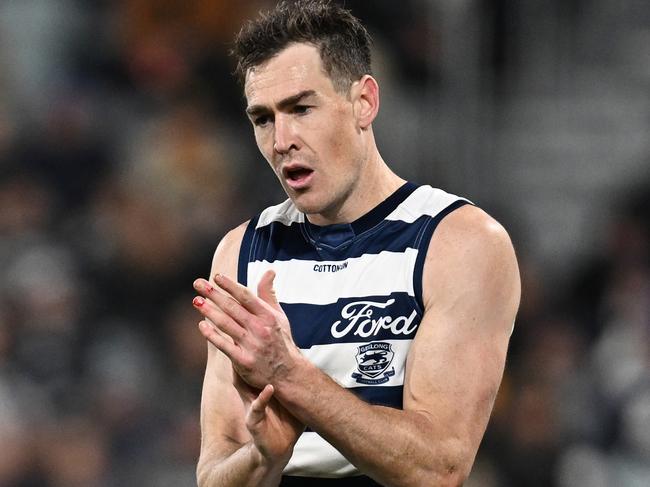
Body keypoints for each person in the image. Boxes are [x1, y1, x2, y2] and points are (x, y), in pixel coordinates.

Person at [191, 1, 520, 485]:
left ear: (364, 102)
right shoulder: (242, 253)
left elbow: (438, 468)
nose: (282, 139)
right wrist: (265, 458)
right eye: (263, 119)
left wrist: (292, 378)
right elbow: (213, 474)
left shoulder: (459, 243)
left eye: (302, 108)